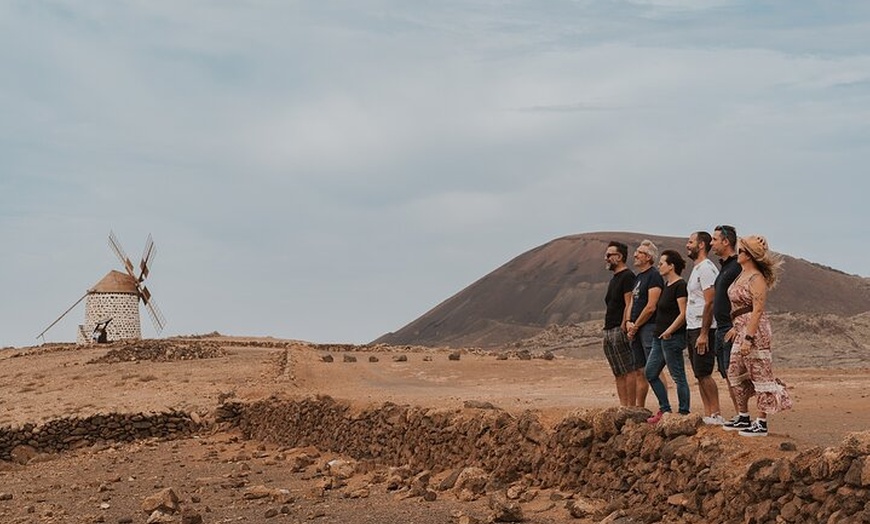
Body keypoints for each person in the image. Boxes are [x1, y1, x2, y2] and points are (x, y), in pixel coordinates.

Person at [723, 235, 792, 436]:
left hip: (755, 330)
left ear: (750, 256)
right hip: (740, 327)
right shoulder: (741, 275)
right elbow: (739, 307)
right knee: (734, 372)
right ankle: (743, 416)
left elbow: (757, 309)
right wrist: (736, 327)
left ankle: (761, 421)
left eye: (742, 251)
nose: (738, 254)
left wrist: (749, 337)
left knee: (760, 374)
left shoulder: (757, 278)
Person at [645, 250, 690, 423]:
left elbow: (683, 313)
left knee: (678, 376)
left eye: (662, 263)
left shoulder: (680, 285)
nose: (659, 266)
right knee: (650, 372)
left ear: (671, 266)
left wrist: (670, 330)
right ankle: (665, 409)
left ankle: (684, 413)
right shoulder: (666, 285)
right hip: (659, 337)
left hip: (672, 338)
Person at [685, 232, 724, 424]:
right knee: (699, 373)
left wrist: (704, 333)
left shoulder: (707, 268)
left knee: (705, 372)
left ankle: (716, 412)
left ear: (701, 245)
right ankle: (708, 413)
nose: (687, 245)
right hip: (692, 327)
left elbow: (710, 302)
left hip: (703, 327)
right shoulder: (696, 268)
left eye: (690, 242)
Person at [625, 240, 664, 408]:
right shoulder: (638, 277)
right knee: (639, 370)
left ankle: (665, 406)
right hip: (635, 328)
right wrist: (628, 322)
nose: (635, 255)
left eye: (639, 252)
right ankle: (639, 408)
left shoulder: (654, 276)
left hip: (649, 327)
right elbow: (632, 303)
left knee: (655, 367)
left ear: (648, 257)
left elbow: (651, 306)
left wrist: (636, 325)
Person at [602, 241, 640, 407]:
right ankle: (623, 406)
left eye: (609, 255)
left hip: (619, 328)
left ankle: (631, 406)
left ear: (619, 257)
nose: (606, 258)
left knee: (628, 369)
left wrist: (625, 323)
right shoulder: (614, 279)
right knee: (617, 371)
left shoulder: (627, 276)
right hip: (608, 329)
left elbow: (629, 302)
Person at [710, 225, 741, 421]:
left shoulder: (737, 266)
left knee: (735, 374)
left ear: (726, 241)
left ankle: (743, 415)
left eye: (714, 239)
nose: (711, 243)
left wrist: (737, 325)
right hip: (720, 328)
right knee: (727, 374)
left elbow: (746, 297)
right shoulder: (724, 267)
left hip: (730, 328)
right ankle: (740, 415)